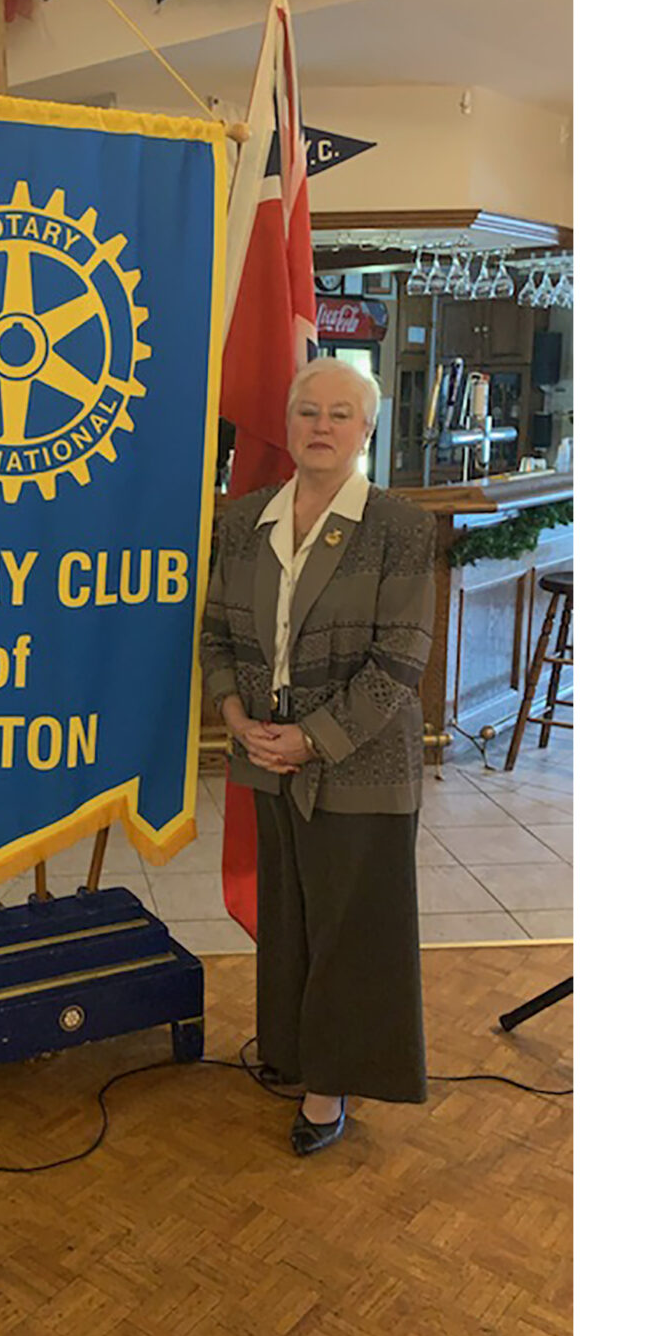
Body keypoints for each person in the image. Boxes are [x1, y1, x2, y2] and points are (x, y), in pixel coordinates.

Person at [199, 356, 435, 1156]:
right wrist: (236, 715)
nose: (322, 427)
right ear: (289, 424)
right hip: (264, 757)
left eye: (340, 413)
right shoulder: (243, 521)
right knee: (293, 920)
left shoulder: (400, 527)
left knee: (352, 929)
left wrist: (314, 738)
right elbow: (219, 638)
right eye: (308, 412)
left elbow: (401, 659)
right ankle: (296, 1055)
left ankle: (332, 1087)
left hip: (361, 765)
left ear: (366, 428)